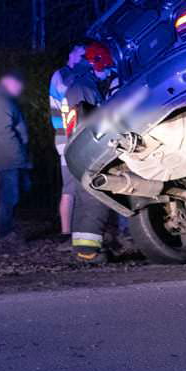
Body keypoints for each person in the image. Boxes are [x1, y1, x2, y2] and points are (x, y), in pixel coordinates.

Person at [63, 41, 118, 263]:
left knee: (85, 200)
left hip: (82, 149)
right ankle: (88, 253)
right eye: (106, 67)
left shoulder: (79, 85)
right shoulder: (84, 89)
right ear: (98, 64)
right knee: (96, 199)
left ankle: (82, 250)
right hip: (88, 150)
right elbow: (88, 119)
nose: (108, 72)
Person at [49, 43, 92, 241]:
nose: (84, 59)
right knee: (69, 188)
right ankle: (66, 232)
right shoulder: (64, 76)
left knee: (76, 187)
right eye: (81, 55)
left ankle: (73, 230)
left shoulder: (70, 76)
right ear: (71, 55)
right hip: (67, 139)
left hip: (72, 137)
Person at [0, 70, 31, 241]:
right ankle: (5, 230)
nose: (20, 89)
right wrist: (20, 156)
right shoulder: (2, 102)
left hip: (7, 156)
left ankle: (5, 226)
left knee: (12, 193)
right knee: (10, 195)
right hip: (9, 158)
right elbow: (5, 133)